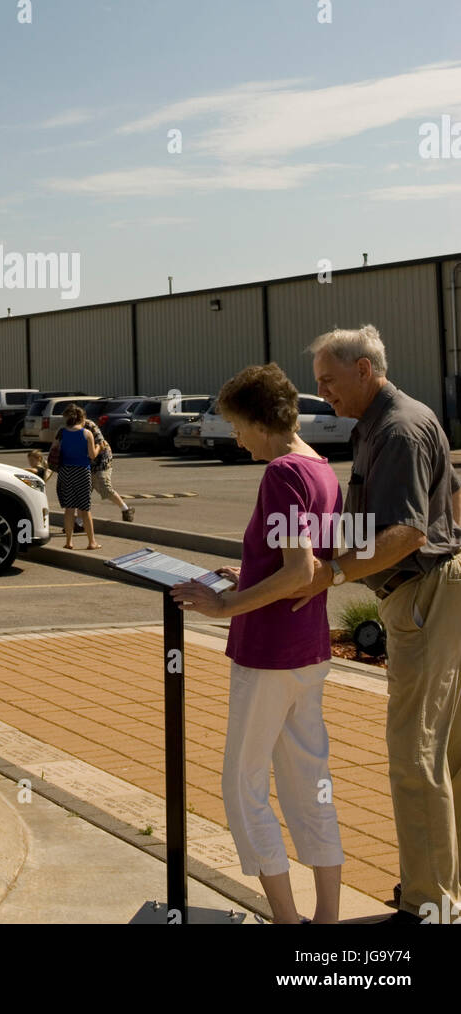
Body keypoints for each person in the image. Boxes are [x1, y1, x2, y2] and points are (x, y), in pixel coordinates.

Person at [295, 325, 461, 925]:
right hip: (432, 594)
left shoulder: (397, 429)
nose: (324, 394)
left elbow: (407, 533)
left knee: (414, 752)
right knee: (446, 751)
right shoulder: (385, 424)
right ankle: (441, 891)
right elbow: (449, 502)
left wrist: (329, 575)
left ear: (364, 369)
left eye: (329, 381)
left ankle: (429, 905)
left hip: (422, 593)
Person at [169, 363, 344, 925]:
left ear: (257, 419)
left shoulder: (282, 474)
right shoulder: (322, 470)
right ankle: (326, 923)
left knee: (243, 789)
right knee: (308, 785)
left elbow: (298, 569)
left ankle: (289, 924)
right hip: (310, 651)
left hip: (268, 654)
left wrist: (225, 605)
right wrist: (249, 570)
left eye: (235, 425)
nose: (234, 436)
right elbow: (304, 562)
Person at [50, 405, 101, 550]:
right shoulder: (87, 433)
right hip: (82, 472)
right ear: (82, 418)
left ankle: (69, 542)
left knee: (69, 509)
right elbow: (92, 455)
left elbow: (54, 449)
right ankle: (92, 542)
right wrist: (99, 448)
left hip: (65, 472)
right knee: (85, 509)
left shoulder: (62, 432)